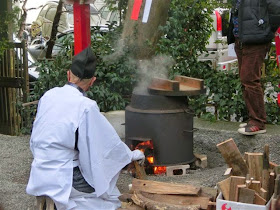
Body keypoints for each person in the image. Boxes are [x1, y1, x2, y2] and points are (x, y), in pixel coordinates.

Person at [26, 46, 145, 210]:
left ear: (68, 74)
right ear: (92, 81)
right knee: (111, 198)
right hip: (65, 178)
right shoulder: (86, 106)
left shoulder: (48, 95)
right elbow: (106, 144)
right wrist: (132, 155)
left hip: (39, 172)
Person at [227, 0, 280, 135]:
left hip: (257, 39)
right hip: (241, 38)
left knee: (249, 79)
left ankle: (258, 122)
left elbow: (277, 9)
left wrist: (266, 30)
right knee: (246, 80)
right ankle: (253, 119)